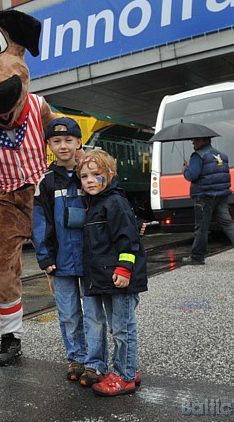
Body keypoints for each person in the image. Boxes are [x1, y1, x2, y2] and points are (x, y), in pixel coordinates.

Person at [76, 149, 147, 396]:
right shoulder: (96, 203)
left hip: (119, 277)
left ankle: (125, 376)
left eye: (96, 174)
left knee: (122, 328)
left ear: (110, 174)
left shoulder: (113, 202)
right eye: (84, 176)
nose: (90, 180)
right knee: (120, 326)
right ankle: (128, 367)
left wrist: (124, 269)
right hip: (108, 277)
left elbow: (128, 240)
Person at [33, 117, 93, 382]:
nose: (63, 146)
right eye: (57, 141)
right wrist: (45, 257)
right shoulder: (45, 183)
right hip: (61, 260)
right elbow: (39, 221)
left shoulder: (90, 175)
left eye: (69, 140)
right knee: (68, 313)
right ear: (48, 144)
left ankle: (94, 360)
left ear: (79, 142)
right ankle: (76, 358)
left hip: (92, 258)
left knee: (93, 312)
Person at [181, 137, 234, 266]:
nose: (193, 143)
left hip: (204, 196)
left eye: (195, 140)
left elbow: (192, 175)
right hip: (221, 196)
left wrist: (185, 171)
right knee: (228, 224)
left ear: (202, 141)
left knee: (202, 228)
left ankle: (197, 257)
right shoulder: (222, 156)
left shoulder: (198, 156)